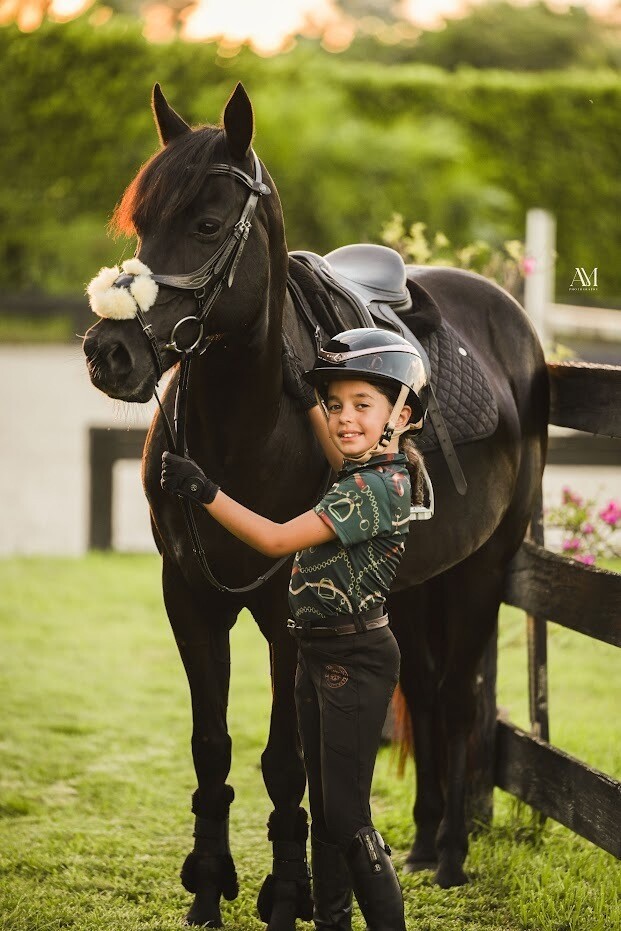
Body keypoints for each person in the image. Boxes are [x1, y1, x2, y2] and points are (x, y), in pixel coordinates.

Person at [161, 328, 430, 931]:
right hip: (317, 653)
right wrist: (307, 401)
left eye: (363, 405)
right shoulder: (362, 466)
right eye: (337, 406)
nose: (343, 419)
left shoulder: (378, 487)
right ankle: (331, 922)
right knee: (327, 807)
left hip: (354, 659)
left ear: (402, 415)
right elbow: (336, 454)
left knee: (348, 818)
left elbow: (277, 539)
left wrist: (207, 492)